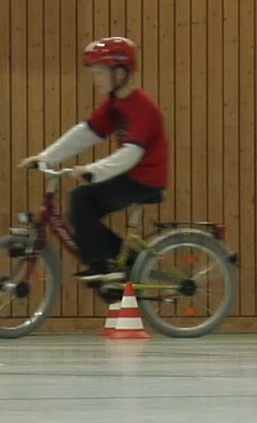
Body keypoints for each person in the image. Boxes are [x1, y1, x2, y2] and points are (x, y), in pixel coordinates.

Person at [19, 36, 170, 283]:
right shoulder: (114, 103)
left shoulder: (143, 107)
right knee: (81, 208)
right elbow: (87, 132)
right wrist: (46, 157)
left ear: (120, 73)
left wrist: (92, 171)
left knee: (81, 199)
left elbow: (132, 152)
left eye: (100, 72)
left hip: (145, 178)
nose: (95, 78)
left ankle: (104, 263)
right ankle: (125, 261)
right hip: (131, 174)